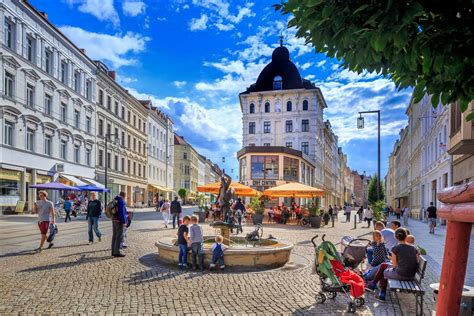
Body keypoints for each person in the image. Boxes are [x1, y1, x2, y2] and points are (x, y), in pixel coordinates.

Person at [367, 228, 420, 301]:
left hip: (402, 274)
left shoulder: (395, 248)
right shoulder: (414, 248)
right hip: (411, 275)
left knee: (385, 271)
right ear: (406, 236)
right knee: (384, 265)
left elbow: (394, 266)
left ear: (395, 237)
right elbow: (416, 261)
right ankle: (372, 285)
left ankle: (382, 295)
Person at [111, 191, 127, 258]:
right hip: (119, 221)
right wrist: (124, 222)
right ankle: (117, 252)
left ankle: (113, 251)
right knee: (118, 237)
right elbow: (122, 212)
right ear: (124, 196)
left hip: (114, 220)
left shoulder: (115, 200)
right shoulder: (121, 201)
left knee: (114, 236)